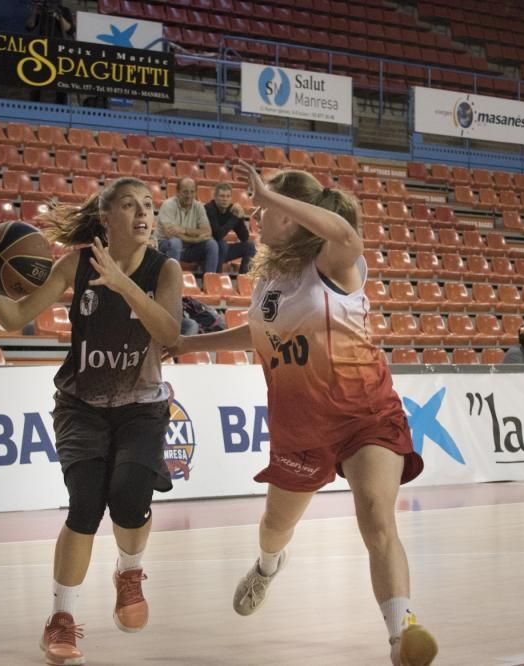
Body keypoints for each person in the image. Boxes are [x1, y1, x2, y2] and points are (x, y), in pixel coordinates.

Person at [169, 162, 438, 666]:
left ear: (290, 215)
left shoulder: (334, 260)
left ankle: (402, 635)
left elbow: (345, 233)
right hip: (302, 426)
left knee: (378, 517)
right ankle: (269, 566)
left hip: (366, 415)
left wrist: (274, 195)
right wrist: (189, 342)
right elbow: (257, 333)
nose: (255, 218)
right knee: (274, 525)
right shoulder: (268, 278)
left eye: (262, 210)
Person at [0, 177, 183, 666]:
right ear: (106, 218)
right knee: (85, 504)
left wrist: (123, 284)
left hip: (142, 406)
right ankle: (61, 619)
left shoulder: (165, 269)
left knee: (130, 499)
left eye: (149, 206)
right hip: (81, 405)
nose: (143, 214)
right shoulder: (74, 263)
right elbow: (15, 316)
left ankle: (129, 572)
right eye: (130, 205)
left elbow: (170, 332)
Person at [156, 177, 220, 275]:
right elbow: (170, 235)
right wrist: (195, 239)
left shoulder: (199, 207)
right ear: (177, 192)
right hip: (165, 246)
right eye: (185, 192)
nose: (189, 195)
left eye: (192, 192)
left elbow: (207, 232)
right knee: (176, 242)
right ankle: (172, 280)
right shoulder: (168, 205)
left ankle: (210, 282)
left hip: (188, 248)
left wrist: (184, 230)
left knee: (212, 244)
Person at [26, 0, 75, 105]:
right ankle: (34, 104)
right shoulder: (43, 9)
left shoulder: (65, 10)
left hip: (58, 50)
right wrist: (35, 12)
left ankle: (61, 106)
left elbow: (70, 30)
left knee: (60, 81)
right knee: (36, 79)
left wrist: (59, 16)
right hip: (41, 48)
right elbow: (29, 26)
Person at [204, 182, 257, 275]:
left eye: (228, 196)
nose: (225, 199)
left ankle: (244, 279)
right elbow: (217, 235)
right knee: (221, 244)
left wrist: (240, 217)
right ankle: (216, 278)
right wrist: (234, 217)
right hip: (207, 250)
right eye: (222, 196)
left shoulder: (232, 210)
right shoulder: (209, 208)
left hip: (222, 251)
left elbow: (244, 237)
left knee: (250, 246)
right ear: (215, 197)